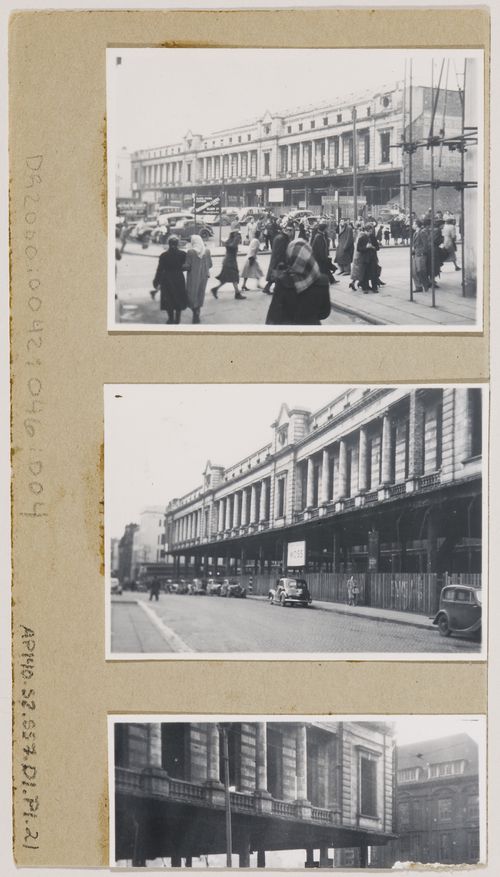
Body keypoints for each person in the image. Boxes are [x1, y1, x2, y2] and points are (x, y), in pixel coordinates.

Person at [265, 238, 331, 325]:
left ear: (290, 256)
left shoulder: (283, 281)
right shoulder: (322, 280)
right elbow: (324, 313)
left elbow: (274, 316)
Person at [152, 235, 187, 324]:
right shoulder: (183, 254)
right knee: (178, 298)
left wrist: (156, 281)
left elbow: (159, 269)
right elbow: (185, 267)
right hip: (179, 278)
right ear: (178, 244)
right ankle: (177, 318)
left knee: (168, 299)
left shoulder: (163, 255)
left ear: (168, 244)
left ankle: (170, 318)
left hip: (167, 279)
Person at [184, 234, 213, 324]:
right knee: (200, 293)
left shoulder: (191, 252)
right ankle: (197, 313)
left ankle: (195, 313)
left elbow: (187, 266)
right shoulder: (207, 251)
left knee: (192, 294)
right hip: (203, 277)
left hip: (193, 277)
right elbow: (210, 264)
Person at [262, 221, 295, 295]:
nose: (292, 234)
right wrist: (283, 260)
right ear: (288, 231)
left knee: (275, 275)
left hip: (276, 259)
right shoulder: (283, 238)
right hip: (279, 260)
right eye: (291, 232)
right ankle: (274, 289)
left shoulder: (280, 237)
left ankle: (268, 288)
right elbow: (281, 251)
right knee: (277, 275)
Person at [211, 230, 244, 299]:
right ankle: (237, 294)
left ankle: (215, 289)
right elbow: (233, 245)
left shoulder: (229, 241)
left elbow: (229, 245)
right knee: (234, 277)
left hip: (228, 261)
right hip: (230, 262)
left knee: (226, 278)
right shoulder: (233, 243)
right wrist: (237, 237)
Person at [411, 219, 431, 292]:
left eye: (413, 224)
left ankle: (426, 284)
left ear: (416, 225)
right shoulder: (415, 233)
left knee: (420, 270)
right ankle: (418, 286)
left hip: (420, 254)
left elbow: (426, 244)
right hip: (415, 254)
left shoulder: (422, 232)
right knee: (413, 271)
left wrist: (423, 252)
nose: (412, 225)